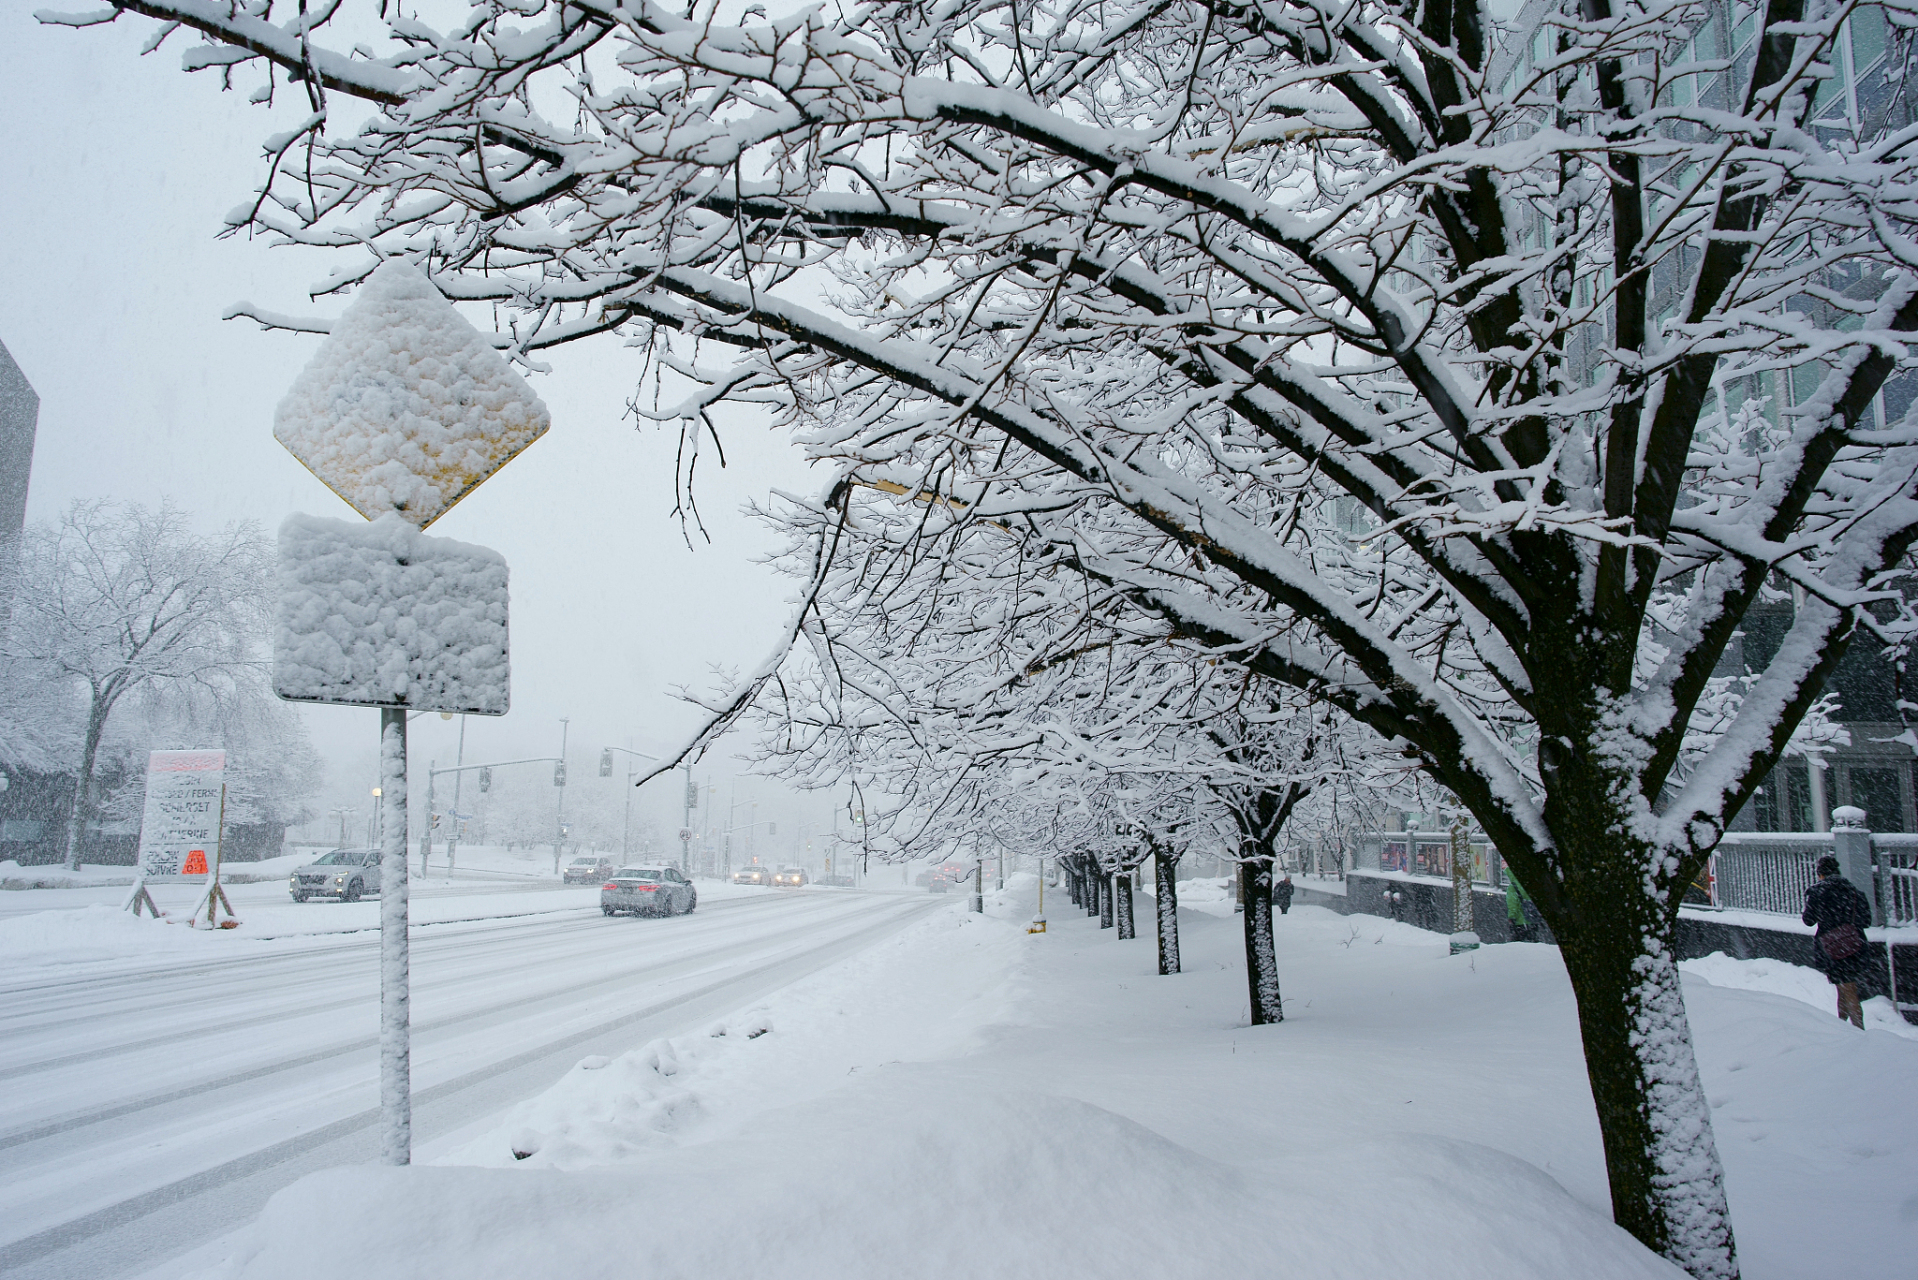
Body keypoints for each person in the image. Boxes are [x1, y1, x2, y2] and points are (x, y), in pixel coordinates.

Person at [1802, 854, 1873, 1029]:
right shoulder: (1854, 891)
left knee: (1847, 990)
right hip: (1854, 946)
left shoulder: (1818, 892)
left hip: (1832, 948)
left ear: (1820, 874)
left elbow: (1808, 920)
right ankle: (1842, 1028)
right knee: (1844, 989)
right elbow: (1866, 920)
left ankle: (1859, 1031)